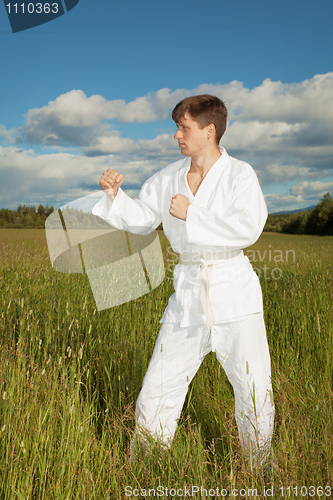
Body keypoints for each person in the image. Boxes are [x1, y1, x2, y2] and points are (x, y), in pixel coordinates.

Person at [92, 94, 275, 469]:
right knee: (159, 385)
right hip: (188, 293)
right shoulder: (169, 177)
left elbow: (249, 227)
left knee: (252, 387)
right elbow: (142, 218)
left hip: (234, 292)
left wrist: (194, 213)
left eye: (184, 127)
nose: (177, 134)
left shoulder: (240, 174)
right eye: (177, 126)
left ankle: (259, 466)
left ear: (209, 131)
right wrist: (115, 196)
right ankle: (145, 464)